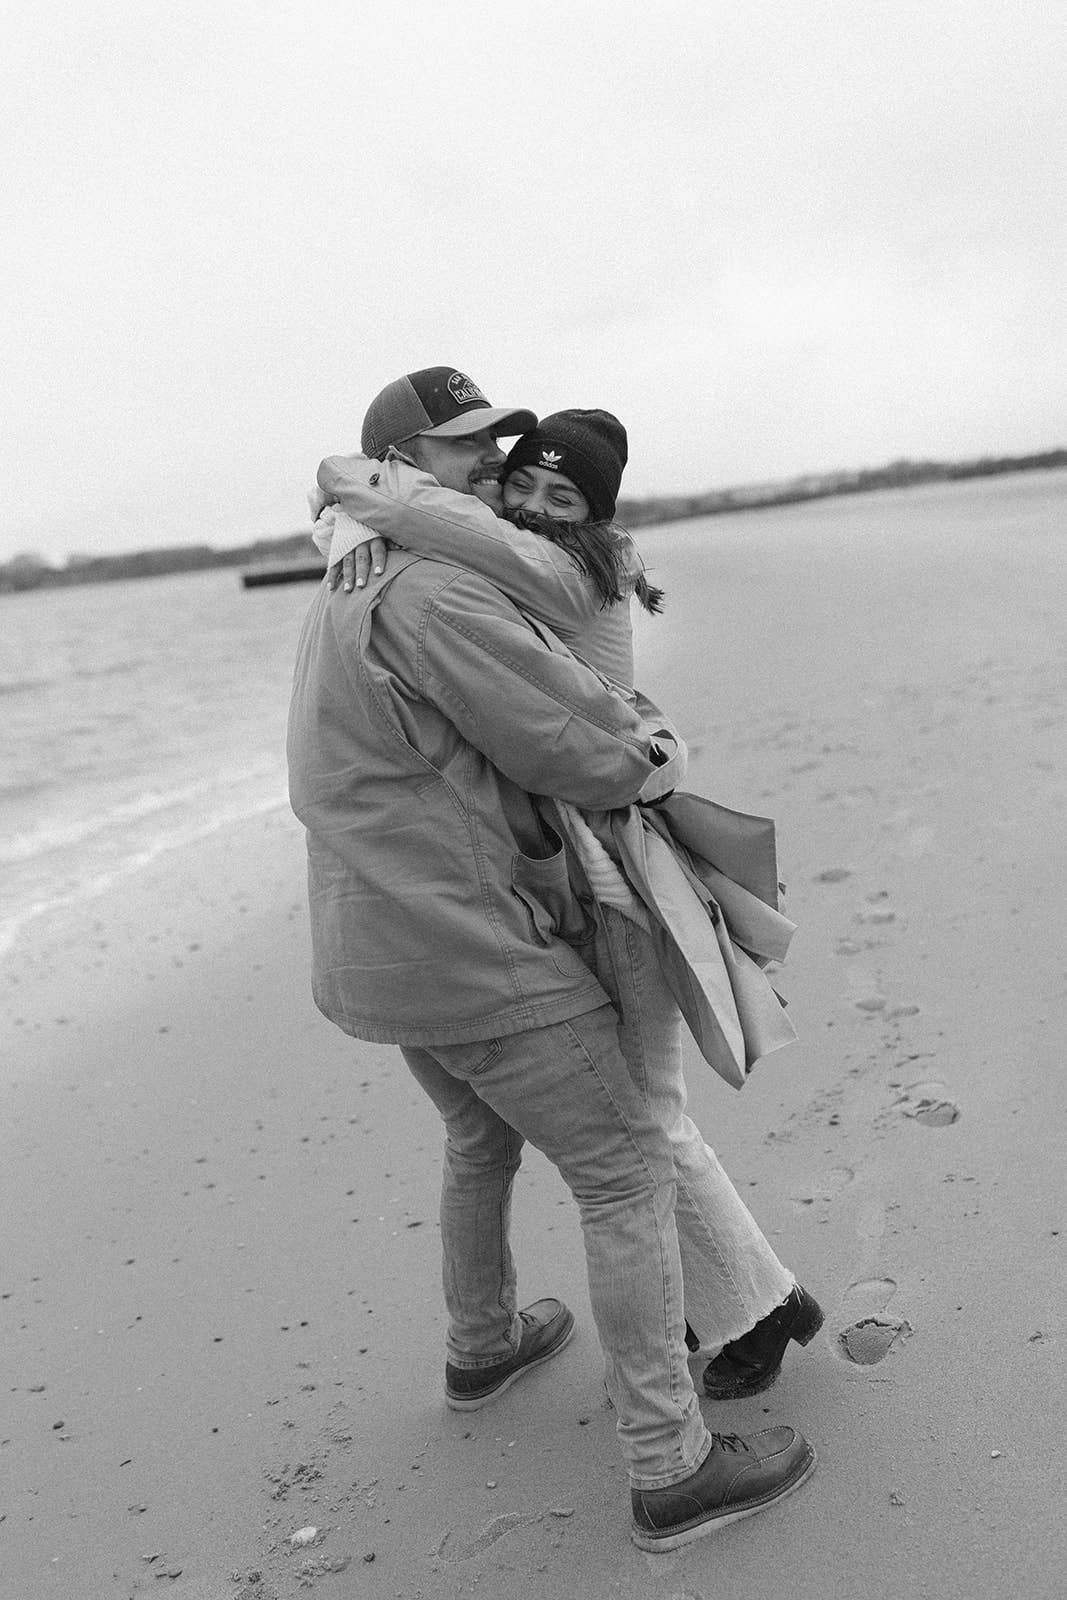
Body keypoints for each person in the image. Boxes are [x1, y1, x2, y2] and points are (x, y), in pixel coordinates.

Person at [287, 366, 816, 1552]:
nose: (493, 466)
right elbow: (575, 745)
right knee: (627, 1164)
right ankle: (670, 1467)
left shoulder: (350, 573)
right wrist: (661, 753)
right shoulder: (434, 593)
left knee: (480, 1135)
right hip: (465, 944)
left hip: (370, 942)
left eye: (496, 443)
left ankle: (482, 1345)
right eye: (469, 448)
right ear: (403, 466)